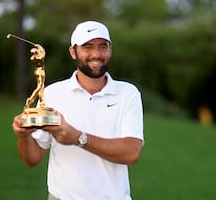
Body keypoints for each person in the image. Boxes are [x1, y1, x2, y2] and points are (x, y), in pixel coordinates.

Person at [12, 20, 144, 200]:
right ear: (73, 52)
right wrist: (24, 135)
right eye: (88, 47)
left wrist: (78, 138)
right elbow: (32, 159)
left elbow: (132, 153)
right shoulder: (52, 93)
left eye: (103, 47)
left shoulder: (127, 93)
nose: (97, 54)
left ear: (110, 50)